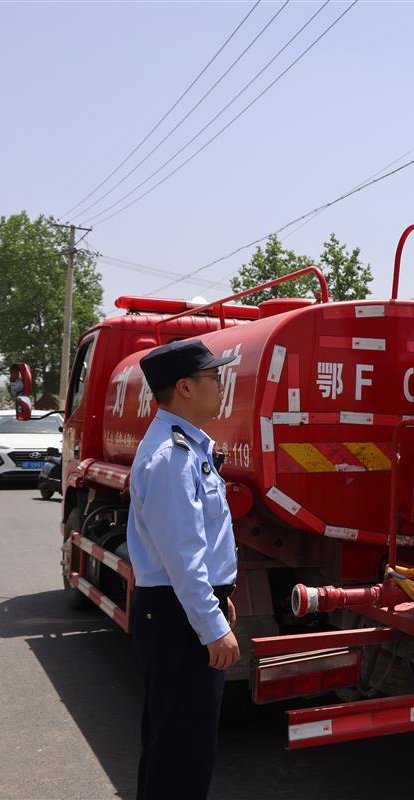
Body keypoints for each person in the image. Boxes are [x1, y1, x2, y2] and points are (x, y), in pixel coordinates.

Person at [128, 339, 239, 800]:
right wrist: (212, 626)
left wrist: (218, 596)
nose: (221, 385)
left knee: (173, 745)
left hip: (178, 610)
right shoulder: (172, 458)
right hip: (178, 618)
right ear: (185, 388)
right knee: (183, 755)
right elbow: (183, 556)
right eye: (214, 377)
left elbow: (198, 548)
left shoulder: (187, 448)